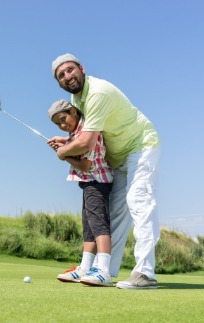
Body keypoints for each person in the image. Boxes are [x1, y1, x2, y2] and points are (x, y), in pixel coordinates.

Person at [49, 53, 161, 289]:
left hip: (140, 145)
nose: (67, 76)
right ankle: (104, 271)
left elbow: (88, 142)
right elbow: (82, 131)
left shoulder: (97, 92)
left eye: (70, 70)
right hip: (116, 156)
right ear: (58, 83)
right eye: (61, 75)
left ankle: (146, 273)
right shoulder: (75, 98)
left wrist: (64, 153)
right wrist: (67, 139)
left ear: (81, 68)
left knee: (138, 200)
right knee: (116, 214)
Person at [47, 99, 114, 287]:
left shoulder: (87, 131)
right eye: (58, 124)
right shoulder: (76, 134)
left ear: (74, 112)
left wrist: (64, 155)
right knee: (89, 227)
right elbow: (74, 143)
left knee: (99, 225)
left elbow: (85, 165)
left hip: (97, 181)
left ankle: (104, 271)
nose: (62, 125)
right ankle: (85, 268)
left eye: (63, 119)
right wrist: (65, 144)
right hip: (89, 183)